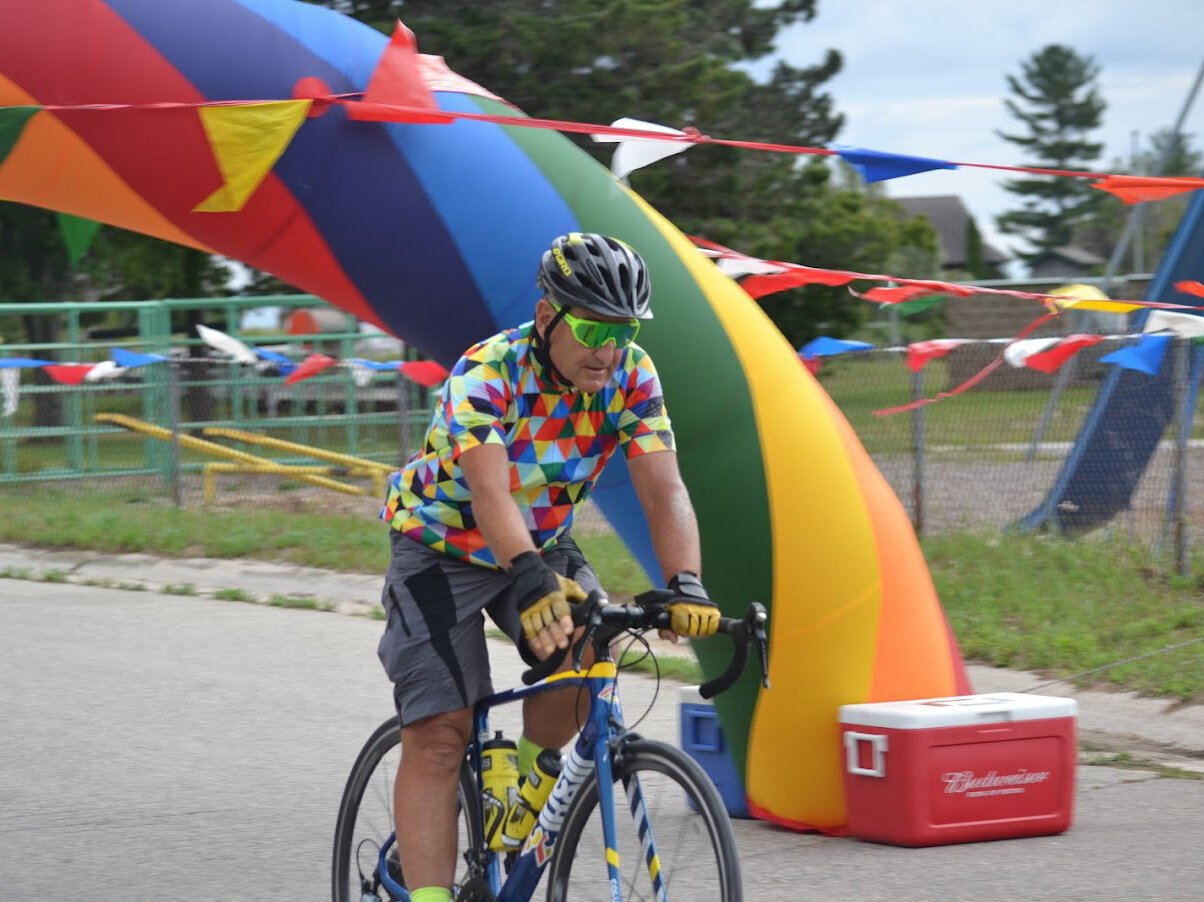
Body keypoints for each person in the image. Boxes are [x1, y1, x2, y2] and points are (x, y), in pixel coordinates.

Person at [376, 231, 717, 902]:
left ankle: (528, 787)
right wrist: (528, 575)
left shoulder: (631, 374)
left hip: (540, 539)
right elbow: (489, 493)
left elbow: (663, 489)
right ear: (546, 318)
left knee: (594, 645)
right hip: (441, 546)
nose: (606, 348)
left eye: (621, 330)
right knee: (442, 732)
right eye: (591, 327)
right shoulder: (487, 371)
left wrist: (686, 583)